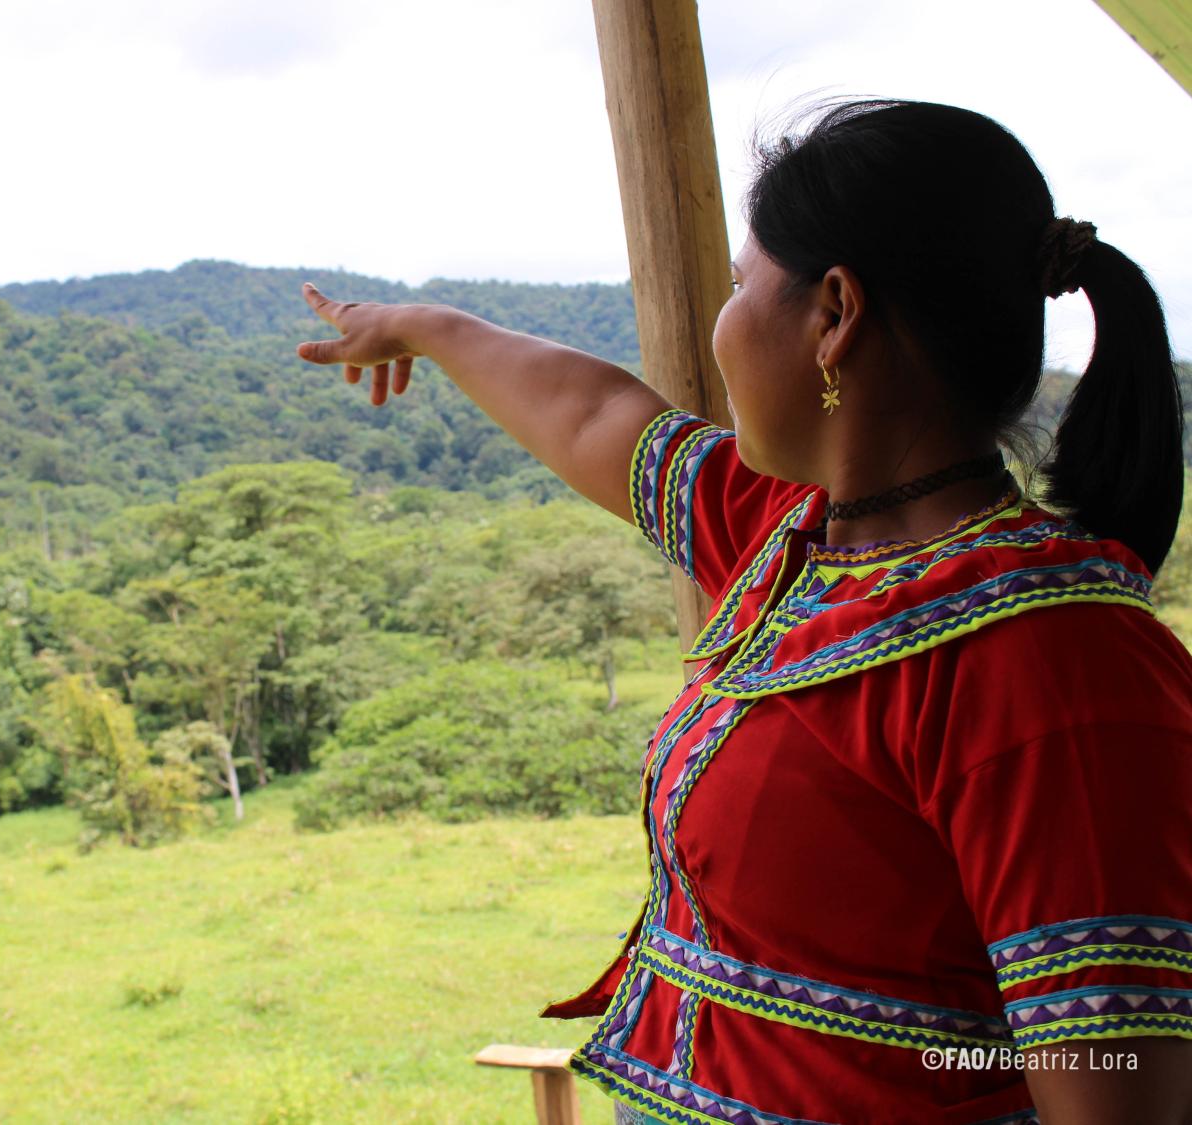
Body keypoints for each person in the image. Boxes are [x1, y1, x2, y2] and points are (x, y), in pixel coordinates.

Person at [294, 98, 1192, 1124]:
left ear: (833, 312)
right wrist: (422, 327)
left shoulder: (1056, 665)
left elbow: (1115, 1093)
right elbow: (595, 416)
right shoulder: (791, 542)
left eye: (736, 286)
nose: (723, 323)